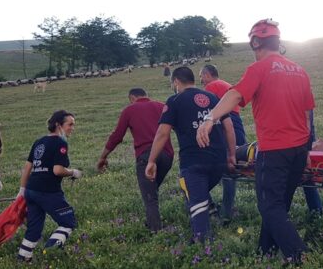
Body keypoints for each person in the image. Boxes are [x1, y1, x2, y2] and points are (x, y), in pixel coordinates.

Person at [196, 19, 314, 262]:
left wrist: (209, 119)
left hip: (275, 150)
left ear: (255, 42)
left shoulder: (259, 68)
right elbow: (308, 112)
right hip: (299, 149)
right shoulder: (299, 70)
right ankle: (265, 251)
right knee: (279, 205)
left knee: (270, 207)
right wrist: (309, 146)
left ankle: (300, 256)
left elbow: (236, 94)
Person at [146, 67, 236, 243]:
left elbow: (162, 134)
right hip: (218, 162)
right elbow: (229, 128)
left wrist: (151, 160)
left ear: (176, 82)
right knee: (194, 192)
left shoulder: (175, 100)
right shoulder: (213, 98)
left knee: (196, 202)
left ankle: (203, 246)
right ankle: (211, 213)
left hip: (194, 163)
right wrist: (231, 155)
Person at [96, 88, 174, 232]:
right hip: (167, 155)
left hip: (146, 156)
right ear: (146, 96)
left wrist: (103, 157)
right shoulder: (161, 106)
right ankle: (150, 221)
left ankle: (155, 232)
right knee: (152, 190)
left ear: (132, 98)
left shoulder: (130, 110)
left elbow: (117, 136)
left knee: (150, 197)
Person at [17, 110, 83, 262]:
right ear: (58, 125)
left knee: (34, 228)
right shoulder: (61, 142)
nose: (72, 128)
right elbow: (58, 170)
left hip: (31, 190)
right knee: (68, 222)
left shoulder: (39, 141)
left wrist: (22, 190)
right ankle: (50, 251)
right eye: (70, 124)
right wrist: (73, 172)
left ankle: (23, 259)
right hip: (48, 192)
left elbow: (27, 168)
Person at [199, 64, 246, 225]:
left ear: (207, 75)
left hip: (227, 123)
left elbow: (205, 108)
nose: (201, 80)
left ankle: (224, 212)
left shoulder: (211, 86)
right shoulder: (225, 84)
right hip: (236, 124)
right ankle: (227, 208)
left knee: (226, 170)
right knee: (231, 167)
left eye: (201, 76)